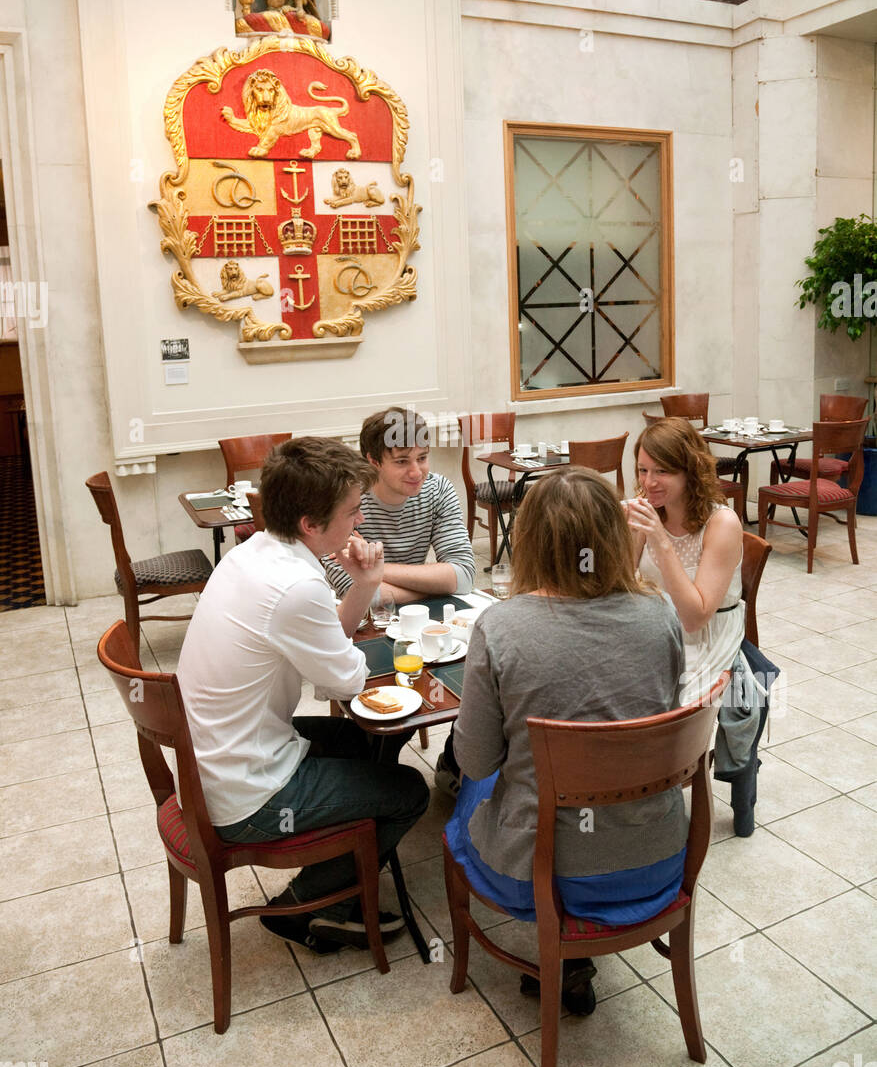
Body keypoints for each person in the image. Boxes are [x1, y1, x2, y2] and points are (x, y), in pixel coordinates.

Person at [445, 468, 687, 1014]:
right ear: (612, 534)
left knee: (468, 785)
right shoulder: (660, 615)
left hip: (540, 875)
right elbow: (654, 725)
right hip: (656, 856)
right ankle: (574, 958)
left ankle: (560, 949)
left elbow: (476, 758)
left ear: (528, 540)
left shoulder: (500, 627)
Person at [176, 436, 430, 951]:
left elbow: (327, 647)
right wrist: (357, 644)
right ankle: (314, 904)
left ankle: (345, 855)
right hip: (245, 794)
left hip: (210, 764)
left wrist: (364, 584)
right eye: (353, 512)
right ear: (312, 525)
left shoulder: (254, 552)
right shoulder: (296, 586)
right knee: (409, 791)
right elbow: (345, 682)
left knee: (362, 742)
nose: (359, 521)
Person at [626, 418, 768, 835]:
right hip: (656, 629)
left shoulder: (721, 524)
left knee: (656, 711)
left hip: (707, 639)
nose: (648, 482)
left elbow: (695, 615)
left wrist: (660, 542)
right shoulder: (649, 509)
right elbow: (621, 582)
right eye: (641, 470)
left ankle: (654, 803)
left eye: (661, 471)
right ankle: (629, 797)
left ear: (690, 470)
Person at [321, 407, 475, 606]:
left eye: (422, 458)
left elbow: (463, 577)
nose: (416, 473)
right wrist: (436, 588)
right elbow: (354, 594)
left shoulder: (438, 490)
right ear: (373, 462)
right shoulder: (345, 499)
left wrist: (376, 570)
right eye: (402, 461)